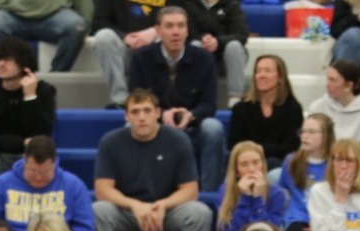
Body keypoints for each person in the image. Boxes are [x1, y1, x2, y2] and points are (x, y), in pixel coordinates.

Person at [93, 90, 214, 231]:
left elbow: (190, 191)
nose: (142, 117)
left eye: (147, 110)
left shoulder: (178, 140)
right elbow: (102, 189)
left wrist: (163, 205)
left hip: (166, 214)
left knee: (200, 213)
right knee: (98, 211)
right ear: (126, 116)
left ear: (157, 113)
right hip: (126, 214)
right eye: (135, 112)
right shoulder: (111, 142)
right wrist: (134, 205)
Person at [128, 5, 225, 190]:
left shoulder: (204, 58)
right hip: (155, 127)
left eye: (181, 26)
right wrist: (161, 115)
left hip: (192, 127)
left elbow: (209, 104)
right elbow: (136, 100)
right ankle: (140, 191)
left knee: (213, 128)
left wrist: (191, 116)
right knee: (130, 127)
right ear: (158, 30)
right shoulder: (141, 58)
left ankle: (209, 196)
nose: (176, 32)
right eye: (169, 26)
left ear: (187, 30)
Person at [0, 39, 59, 219]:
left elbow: (42, 136)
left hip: (29, 157)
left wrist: (30, 97)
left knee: (42, 153)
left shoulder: (44, 91)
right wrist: (21, 142)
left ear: (23, 63)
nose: (0, 64)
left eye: (7, 59)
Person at [0, 137, 93, 231]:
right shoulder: (2, 184)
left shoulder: (74, 185)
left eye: (46, 172)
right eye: (33, 171)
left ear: (54, 163)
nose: (39, 177)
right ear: (24, 161)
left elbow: (84, 229)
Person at [303, 59, 360, 157]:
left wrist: (346, 162)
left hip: (359, 164)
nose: (327, 84)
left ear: (348, 85)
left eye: (333, 80)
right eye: (328, 79)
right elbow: (309, 144)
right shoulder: (317, 108)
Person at [228, 54, 303, 170]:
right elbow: (234, 145)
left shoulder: (293, 108)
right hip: (246, 164)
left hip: (279, 166)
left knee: (273, 164)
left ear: (280, 77)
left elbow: (292, 146)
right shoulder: (241, 108)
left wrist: (262, 149)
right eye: (258, 71)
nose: (261, 75)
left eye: (267, 71)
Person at [0, 0, 88, 75]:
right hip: (9, 14)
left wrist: (86, 23)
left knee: (77, 26)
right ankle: (9, 78)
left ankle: (55, 78)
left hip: (56, 14)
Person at [279, 113, 334, 231]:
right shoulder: (292, 161)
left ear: (326, 135)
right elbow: (283, 190)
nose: (305, 136)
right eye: (303, 131)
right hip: (299, 218)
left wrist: (319, 224)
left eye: (311, 132)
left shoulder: (335, 163)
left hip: (327, 217)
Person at [217, 141, 290, 231]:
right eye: (244, 164)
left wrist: (258, 199)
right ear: (236, 171)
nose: (251, 169)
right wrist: (245, 198)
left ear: (263, 165)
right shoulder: (225, 191)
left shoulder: (277, 194)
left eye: (256, 163)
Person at [92, 0, 165, 109]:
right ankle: (121, 101)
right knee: (103, 37)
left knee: (169, 34)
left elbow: (183, 18)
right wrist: (124, 37)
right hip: (124, 49)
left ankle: (160, 101)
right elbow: (99, 22)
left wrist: (156, 31)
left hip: (155, 47)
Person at [184, 0, 251, 102]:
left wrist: (218, 41)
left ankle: (235, 98)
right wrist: (203, 38)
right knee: (194, 45)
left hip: (225, 52)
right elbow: (188, 32)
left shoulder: (232, 5)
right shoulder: (190, 5)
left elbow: (241, 34)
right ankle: (194, 97)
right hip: (202, 48)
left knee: (234, 46)